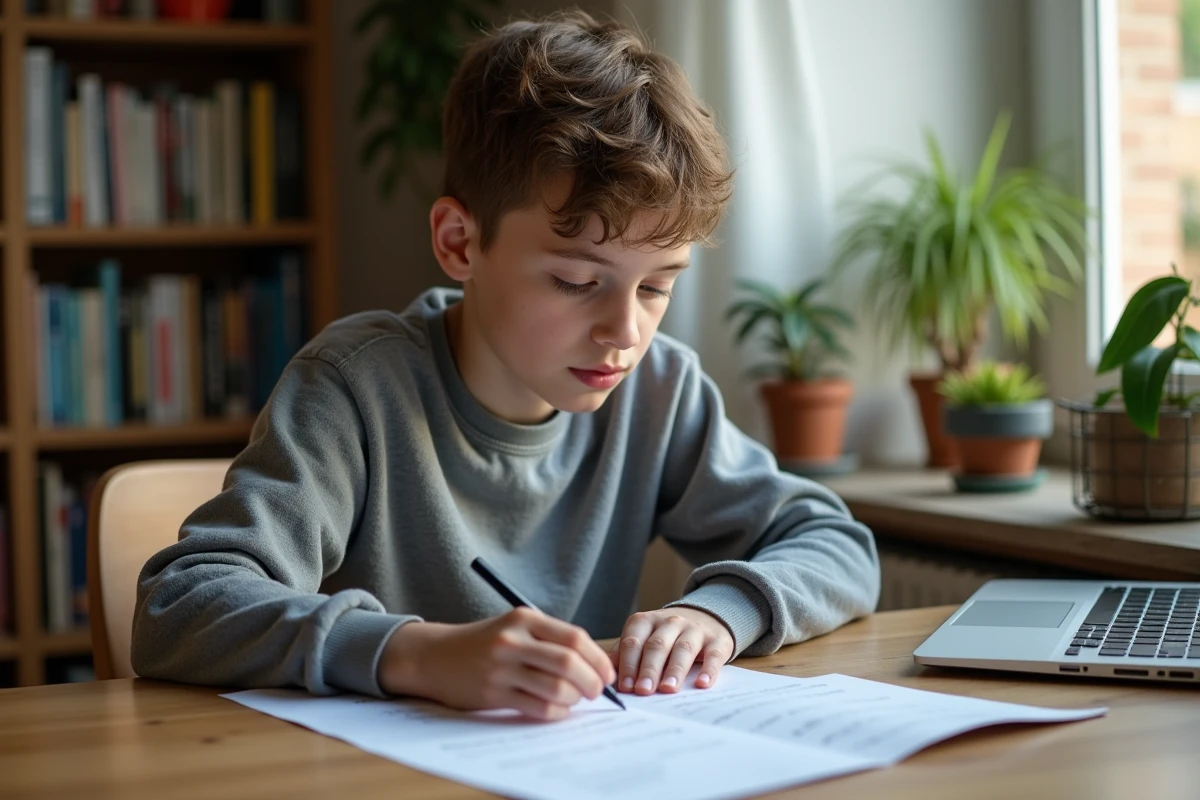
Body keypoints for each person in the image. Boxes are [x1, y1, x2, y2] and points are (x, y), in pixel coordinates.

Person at [132, 10, 879, 722]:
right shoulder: (357, 387)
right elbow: (178, 605)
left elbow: (837, 545)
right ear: (460, 243)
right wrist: (416, 653)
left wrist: (721, 610)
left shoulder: (659, 390)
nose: (625, 330)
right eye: (577, 282)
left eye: (657, 285)